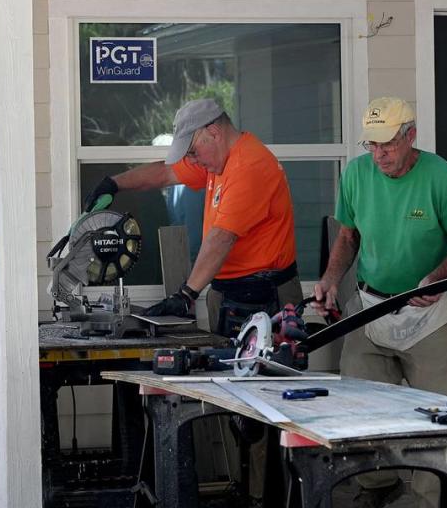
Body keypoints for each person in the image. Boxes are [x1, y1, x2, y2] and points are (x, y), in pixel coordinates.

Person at [83, 97, 302, 502]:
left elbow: (221, 237)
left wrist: (186, 294)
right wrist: (115, 182)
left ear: (213, 132)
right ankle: (242, 490)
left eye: (194, 149)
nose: (193, 160)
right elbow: (165, 175)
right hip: (230, 292)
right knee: (233, 399)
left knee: (265, 406)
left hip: (266, 294)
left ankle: (265, 499)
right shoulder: (215, 160)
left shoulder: (249, 164)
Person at [312, 97, 447, 508]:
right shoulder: (356, 175)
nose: (379, 154)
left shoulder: (441, 176)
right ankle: (377, 486)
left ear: (410, 136)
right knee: (361, 411)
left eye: (387, 143)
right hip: (371, 305)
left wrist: (434, 278)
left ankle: (428, 500)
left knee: (434, 421)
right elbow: (348, 237)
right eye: (371, 144)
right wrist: (331, 279)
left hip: (431, 314)